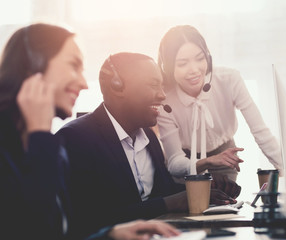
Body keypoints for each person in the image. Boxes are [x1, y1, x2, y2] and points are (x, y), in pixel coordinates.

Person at [0, 24, 179, 240]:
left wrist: (109, 235)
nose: (84, 83)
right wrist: (39, 137)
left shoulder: (33, 141)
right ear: (34, 67)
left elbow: (59, 231)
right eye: (73, 66)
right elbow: (34, 229)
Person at [56, 52, 236, 239]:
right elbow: (88, 219)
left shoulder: (148, 135)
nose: (162, 95)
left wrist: (204, 189)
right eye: (153, 85)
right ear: (117, 87)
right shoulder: (75, 139)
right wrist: (170, 204)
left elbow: (162, 192)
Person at [157, 25, 283, 184]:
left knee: (225, 205)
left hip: (225, 156)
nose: (194, 70)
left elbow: (261, 132)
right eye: (182, 64)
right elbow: (174, 162)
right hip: (186, 163)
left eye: (200, 58)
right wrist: (207, 162)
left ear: (208, 58)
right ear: (168, 67)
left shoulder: (229, 79)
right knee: (193, 207)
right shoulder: (165, 102)